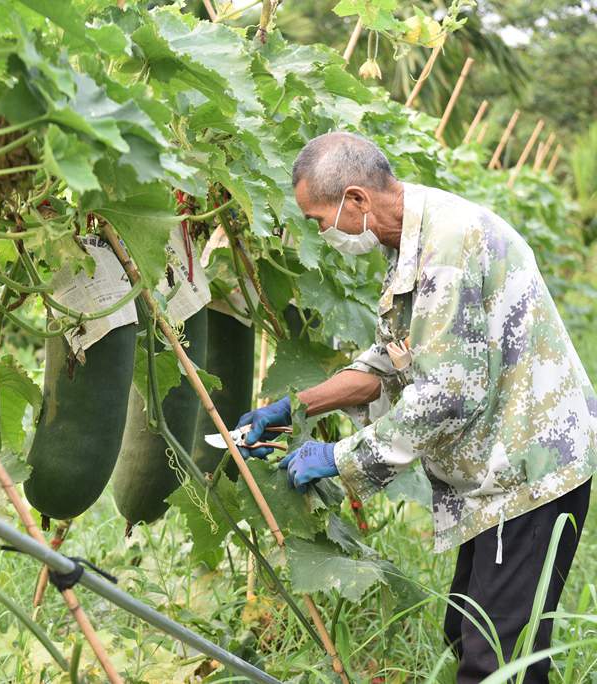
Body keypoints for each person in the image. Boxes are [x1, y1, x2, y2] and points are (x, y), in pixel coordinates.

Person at [236, 131, 597, 683]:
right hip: (497, 466)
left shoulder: (447, 251)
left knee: (497, 658)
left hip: (530, 469)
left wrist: (339, 457)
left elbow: (445, 397)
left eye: (318, 220)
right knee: (467, 630)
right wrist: (293, 406)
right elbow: (394, 358)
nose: (321, 234)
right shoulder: (413, 237)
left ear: (355, 200)